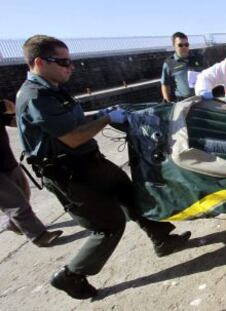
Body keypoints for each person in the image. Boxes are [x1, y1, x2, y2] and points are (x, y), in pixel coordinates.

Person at [15, 35, 191, 300]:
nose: (69, 67)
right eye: (62, 62)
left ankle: (162, 238)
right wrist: (107, 118)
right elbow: (73, 136)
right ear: (39, 62)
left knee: (132, 193)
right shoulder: (35, 96)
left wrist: (99, 116)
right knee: (108, 226)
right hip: (69, 174)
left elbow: (72, 121)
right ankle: (71, 275)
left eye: (70, 61)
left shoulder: (53, 88)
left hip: (90, 162)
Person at [0, 98, 62, 246]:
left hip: (6, 160)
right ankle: (39, 236)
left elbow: (11, 120)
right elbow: (7, 107)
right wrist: (4, 106)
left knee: (24, 193)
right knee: (16, 203)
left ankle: (14, 224)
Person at [161, 31, 204, 103]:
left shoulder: (199, 58)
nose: (184, 47)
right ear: (174, 45)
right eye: (180, 45)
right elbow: (165, 84)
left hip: (201, 98)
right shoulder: (169, 63)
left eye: (186, 44)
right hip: (183, 101)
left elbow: (209, 75)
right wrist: (167, 101)